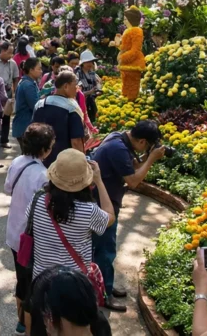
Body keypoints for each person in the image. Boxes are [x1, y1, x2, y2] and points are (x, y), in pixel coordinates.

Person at [23, 150, 114, 333]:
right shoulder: (89, 211)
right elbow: (110, 217)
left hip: (42, 282)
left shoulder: (38, 200)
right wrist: (99, 181)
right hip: (73, 286)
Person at [89, 121, 166, 311]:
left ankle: (104, 282)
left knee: (104, 248)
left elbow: (132, 166)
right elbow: (133, 181)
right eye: (148, 145)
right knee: (105, 250)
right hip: (104, 205)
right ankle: (103, 294)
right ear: (141, 141)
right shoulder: (118, 148)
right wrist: (151, 159)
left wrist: (147, 155)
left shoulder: (118, 138)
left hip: (103, 200)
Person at [4, 123, 55, 334]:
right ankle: (28, 324)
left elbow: (8, 189)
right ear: (44, 150)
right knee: (33, 284)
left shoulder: (17, 162)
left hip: (14, 233)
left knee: (21, 279)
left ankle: (20, 320)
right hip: (32, 239)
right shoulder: (44, 176)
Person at [29, 266, 112, 336]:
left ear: (50, 320)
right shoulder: (100, 324)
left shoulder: (101, 326)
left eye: (45, 315)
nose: (45, 322)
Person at [31, 71, 86, 166]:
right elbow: (76, 142)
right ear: (66, 86)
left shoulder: (40, 104)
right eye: (75, 85)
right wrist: (82, 165)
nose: (77, 89)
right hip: (63, 165)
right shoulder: (72, 108)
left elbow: (31, 133)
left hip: (38, 162)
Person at [0, 41, 21, 149]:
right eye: (9, 53)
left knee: (6, 116)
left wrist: (14, 92)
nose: (11, 55)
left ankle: (4, 140)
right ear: (2, 51)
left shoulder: (13, 63)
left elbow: (16, 78)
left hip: (8, 91)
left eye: (12, 53)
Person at [11, 58, 43, 144]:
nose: (41, 71)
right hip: (25, 125)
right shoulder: (28, 85)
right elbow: (35, 105)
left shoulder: (28, 82)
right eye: (39, 68)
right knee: (29, 155)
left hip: (24, 125)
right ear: (31, 70)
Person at [74, 50, 101, 123]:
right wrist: (89, 92)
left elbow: (96, 86)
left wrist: (97, 92)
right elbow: (75, 91)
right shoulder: (77, 74)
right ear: (82, 63)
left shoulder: (92, 73)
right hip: (80, 104)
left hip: (91, 103)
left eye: (91, 62)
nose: (90, 64)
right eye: (87, 62)